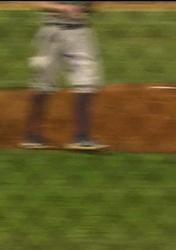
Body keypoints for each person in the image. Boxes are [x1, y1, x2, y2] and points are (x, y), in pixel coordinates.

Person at [19, 1, 109, 151]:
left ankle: (82, 137)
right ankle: (32, 136)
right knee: (42, 83)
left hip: (81, 32)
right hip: (51, 31)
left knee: (87, 79)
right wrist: (62, 8)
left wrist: (90, 8)